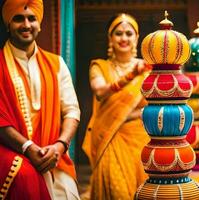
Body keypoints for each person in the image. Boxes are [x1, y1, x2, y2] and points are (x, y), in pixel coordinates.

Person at [0, 0, 80, 199]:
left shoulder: (56, 63)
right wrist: (28, 148)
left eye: (31, 18)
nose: (26, 25)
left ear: (40, 23)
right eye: (18, 18)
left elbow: (71, 110)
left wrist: (60, 146)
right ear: (8, 24)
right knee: (24, 179)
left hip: (53, 155)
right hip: (11, 151)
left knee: (68, 193)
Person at [82, 13, 151, 200]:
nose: (124, 38)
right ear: (110, 38)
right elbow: (100, 91)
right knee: (117, 193)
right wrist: (129, 77)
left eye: (129, 33)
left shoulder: (147, 69)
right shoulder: (99, 66)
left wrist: (128, 116)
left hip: (140, 140)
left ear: (137, 38)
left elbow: (157, 105)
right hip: (109, 137)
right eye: (118, 33)